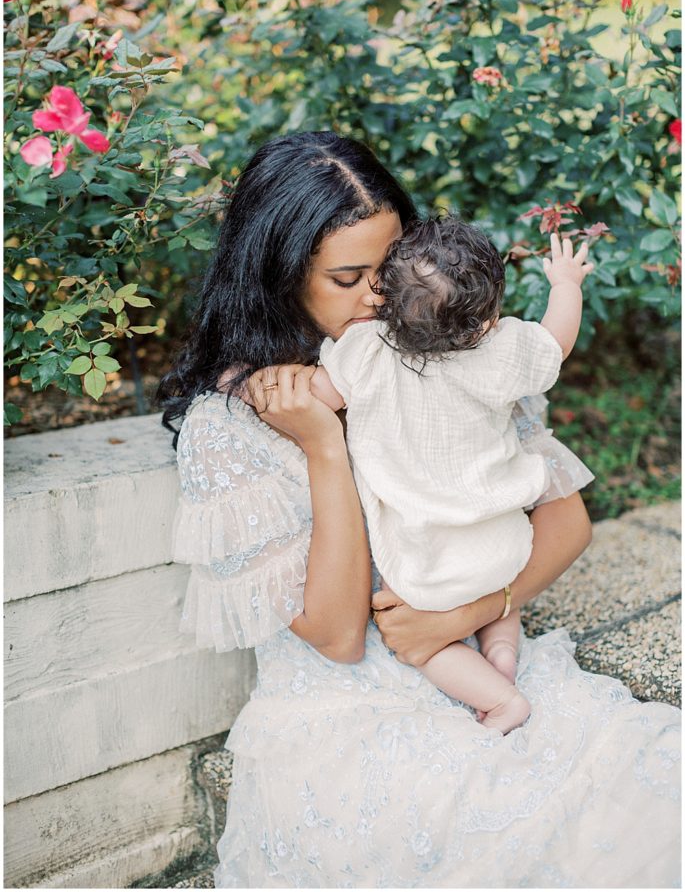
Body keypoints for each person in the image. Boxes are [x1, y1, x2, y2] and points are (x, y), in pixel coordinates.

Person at [159, 131, 680, 888]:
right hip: (344, 714)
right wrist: (323, 451)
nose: (379, 298)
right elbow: (338, 637)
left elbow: (566, 523)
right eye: (348, 278)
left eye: (391, 266)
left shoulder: (444, 348)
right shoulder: (235, 420)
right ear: (281, 277)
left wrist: (472, 609)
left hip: (473, 649)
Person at [311, 217, 594, 734]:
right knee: (498, 580)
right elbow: (557, 342)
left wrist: (269, 385)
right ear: (486, 321)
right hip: (506, 541)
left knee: (430, 646)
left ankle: (500, 698)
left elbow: (322, 396)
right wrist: (565, 285)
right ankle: (503, 650)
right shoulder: (500, 350)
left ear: (385, 301)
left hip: (426, 562)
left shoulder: (364, 351)